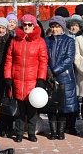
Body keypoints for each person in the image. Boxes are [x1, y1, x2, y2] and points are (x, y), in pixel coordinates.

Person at [4, 14, 49, 142]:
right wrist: (8, 77)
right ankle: (19, 132)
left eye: (30, 24)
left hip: (32, 80)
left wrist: (41, 79)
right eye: (25, 24)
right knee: (19, 109)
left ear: (34, 26)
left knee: (32, 109)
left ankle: (31, 132)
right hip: (17, 79)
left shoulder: (40, 42)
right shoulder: (15, 41)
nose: (27, 27)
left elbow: (43, 62)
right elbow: (9, 60)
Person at [43, 15, 79, 140]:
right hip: (49, 77)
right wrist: (48, 70)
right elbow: (43, 57)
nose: (54, 29)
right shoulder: (46, 40)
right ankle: (53, 132)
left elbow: (69, 59)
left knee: (63, 105)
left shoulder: (69, 41)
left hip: (65, 76)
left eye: (57, 27)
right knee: (51, 104)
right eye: (52, 26)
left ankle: (61, 132)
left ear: (62, 28)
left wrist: (55, 70)